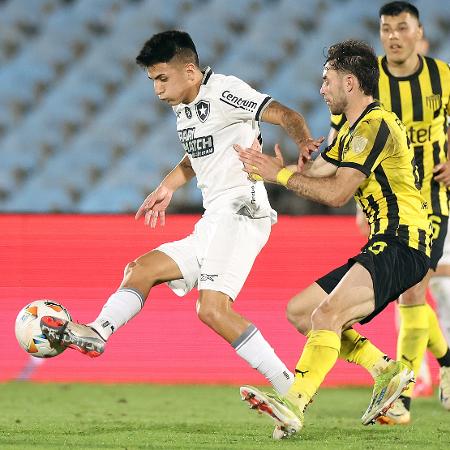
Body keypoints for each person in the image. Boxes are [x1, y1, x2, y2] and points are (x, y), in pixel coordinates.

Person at [39, 31, 324, 399]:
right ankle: (98, 331)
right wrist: (168, 186)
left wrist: (303, 143)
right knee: (141, 269)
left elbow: (286, 114)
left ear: (190, 72)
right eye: (152, 80)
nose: (157, 89)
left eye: (162, 78)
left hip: (242, 211)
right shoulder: (183, 108)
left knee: (212, 309)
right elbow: (196, 156)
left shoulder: (223, 91)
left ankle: (292, 390)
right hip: (214, 219)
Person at [236, 38, 431, 439]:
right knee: (301, 311)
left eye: (326, 81)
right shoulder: (354, 129)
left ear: (350, 82)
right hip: (389, 241)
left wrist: (280, 176)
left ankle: (294, 404)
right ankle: (386, 370)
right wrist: (280, 166)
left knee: (326, 316)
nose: (321, 89)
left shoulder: (375, 124)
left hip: (404, 241)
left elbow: (338, 193)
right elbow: (321, 171)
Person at [329, 1, 450, 424]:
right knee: (411, 291)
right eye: (386, 28)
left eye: (402, 27)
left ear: (419, 32)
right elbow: (343, 140)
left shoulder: (443, 76)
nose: (394, 36)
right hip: (385, 203)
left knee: (412, 291)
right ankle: (447, 360)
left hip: (433, 199)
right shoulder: (368, 80)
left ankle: (400, 401)